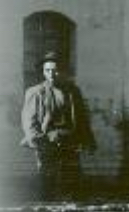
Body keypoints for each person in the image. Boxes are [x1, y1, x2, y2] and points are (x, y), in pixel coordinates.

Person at [21, 52, 95, 199]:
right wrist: (38, 140)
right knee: (47, 177)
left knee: (71, 177)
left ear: (62, 71)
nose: (51, 74)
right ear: (43, 72)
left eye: (55, 70)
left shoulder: (72, 92)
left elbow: (82, 118)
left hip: (69, 140)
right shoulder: (35, 92)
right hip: (47, 141)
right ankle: (47, 209)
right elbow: (29, 121)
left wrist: (88, 140)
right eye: (47, 70)